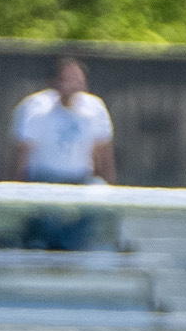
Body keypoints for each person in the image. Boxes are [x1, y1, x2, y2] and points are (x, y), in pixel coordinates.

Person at [8, 57, 115, 251]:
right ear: (54, 83)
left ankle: (69, 246)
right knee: (46, 210)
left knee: (101, 193)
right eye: (69, 80)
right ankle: (39, 242)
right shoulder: (35, 108)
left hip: (80, 178)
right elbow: (22, 154)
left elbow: (103, 153)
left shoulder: (95, 109)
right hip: (43, 177)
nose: (75, 86)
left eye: (79, 81)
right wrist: (14, 188)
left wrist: (112, 186)